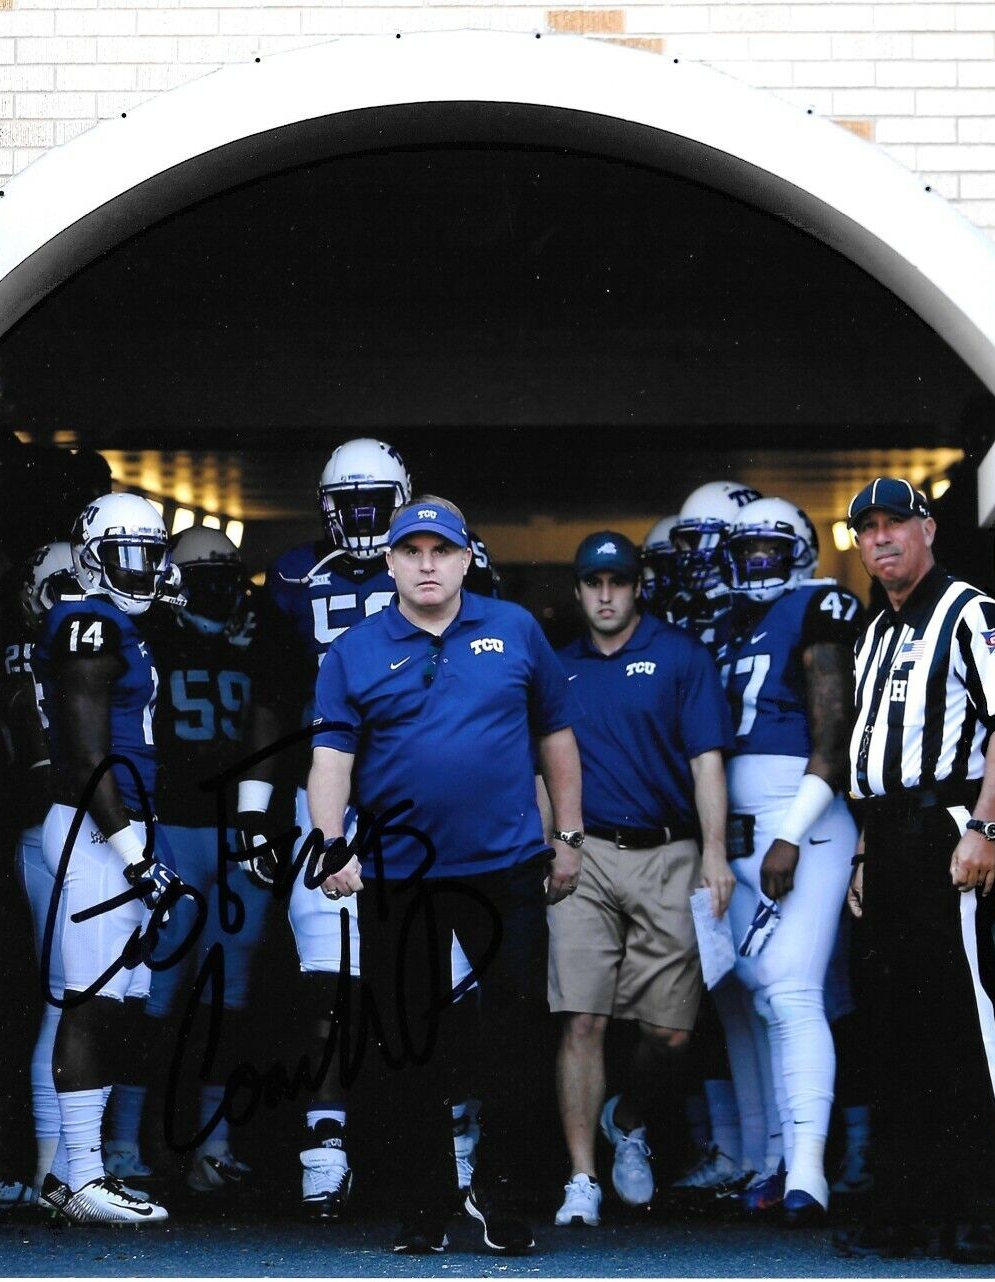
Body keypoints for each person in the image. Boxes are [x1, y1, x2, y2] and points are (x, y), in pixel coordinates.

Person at [306, 496, 582, 1256]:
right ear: (389, 562)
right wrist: (332, 844)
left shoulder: (515, 628)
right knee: (406, 1042)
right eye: (411, 552)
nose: (427, 564)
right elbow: (331, 757)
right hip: (401, 872)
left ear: (467, 559)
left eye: (442, 551)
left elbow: (555, 735)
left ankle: (504, 1197)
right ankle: (421, 1208)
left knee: (519, 1033)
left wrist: (568, 835)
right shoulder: (354, 650)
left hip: (507, 865)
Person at [237, 438, 480, 1216]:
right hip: (330, 799)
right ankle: (326, 1142)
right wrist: (252, 810)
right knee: (327, 982)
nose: (367, 522)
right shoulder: (292, 581)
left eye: (381, 503)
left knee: (447, 984)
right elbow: (271, 701)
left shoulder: (447, 566)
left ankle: (457, 1148)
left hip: (431, 802)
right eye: (353, 505)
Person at [839, 478, 995, 1265]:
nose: (881, 539)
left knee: (962, 1018)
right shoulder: (874, 629)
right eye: (867, 529)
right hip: (883, 840)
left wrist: (984, 827)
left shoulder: (969, 613)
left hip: (947, 828)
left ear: (927, 528)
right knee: (893, 1024)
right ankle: (909, 1212)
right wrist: (860, 852)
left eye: (895, 524)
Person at [548, 532, 735, 1227]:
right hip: (585, 853)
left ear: (636, 587)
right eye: (593, 583)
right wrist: (550, 847)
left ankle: (626, 1118)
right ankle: (580, 1179)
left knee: (671, 1033)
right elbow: (545, 767)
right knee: (583, 1018)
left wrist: (715, 853)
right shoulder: (556, 666)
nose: (605, 595)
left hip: (668, 851)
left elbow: (705, 762)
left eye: (618, 582)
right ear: (577, 591)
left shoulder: (679, 654)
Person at [33, 493, 191, 1225]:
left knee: (118, 1000)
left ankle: (74, 1173)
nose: (145, 569)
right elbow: (88, 751)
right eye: (131, 553)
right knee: (92, 1000)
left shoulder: (118, 622)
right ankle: (82, 1181)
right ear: (94, 554)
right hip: (99, 826)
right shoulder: (89, 622)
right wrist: (134, 853)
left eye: (152, 554)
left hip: (120, 822)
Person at [102, 526, 271, 1194]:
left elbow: (267, 717)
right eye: (204, 576)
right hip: (171, 823)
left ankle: (212, 1143)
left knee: (228, 993)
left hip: (234, 829)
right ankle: (123, 1140)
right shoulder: (153, 634)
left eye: (226, 575)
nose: (219, 589)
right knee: (156, 990)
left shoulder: (256, 636)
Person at [707, 496, 860, 1226]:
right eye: (746, 551)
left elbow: (834, 733)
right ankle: (773, 1160)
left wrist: (792, 831)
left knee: (792, 990)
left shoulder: (818, 608)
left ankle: (807, 1174)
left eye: (770, 550)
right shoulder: (731, 624)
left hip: (798, 819)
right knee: (756, 994)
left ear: (798, 551)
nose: (756, 565)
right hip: (738, 830)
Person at [2, 542, 78, 1204]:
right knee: (69, 999)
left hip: (62, 830)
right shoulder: (38, 658)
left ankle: (64, 1161)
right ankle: (55, 1166)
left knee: (79, 999)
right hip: (59, 829)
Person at [663, 481, 764, 643]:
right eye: (685, 542)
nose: (689, 555)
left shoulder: (762, 613)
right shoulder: (684, 611)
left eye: (696, 541)